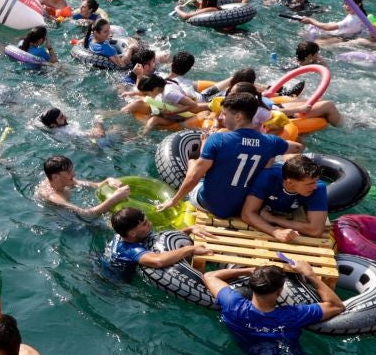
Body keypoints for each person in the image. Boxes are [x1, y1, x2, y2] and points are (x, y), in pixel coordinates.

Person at [159, 94, 294, 219]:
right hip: (242, 206)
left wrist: (174, 200)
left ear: (238, 117)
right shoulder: (271, 142)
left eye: (224, 113)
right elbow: (297, 147)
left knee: (193, 163)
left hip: (210, 204)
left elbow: (195, 176)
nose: (220, 117)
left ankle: (193, 162)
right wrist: (270, 159)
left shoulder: (218, 139)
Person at [202, 262, 344, 355]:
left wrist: (248, 271)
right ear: (280, 291)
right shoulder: (294, 315)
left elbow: (210, 276)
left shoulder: (233, 305)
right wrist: (310, 275)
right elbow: (337, 305)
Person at [99, 206, 208, 282]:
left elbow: (165, 239)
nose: (150, 224)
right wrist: (189, 249)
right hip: (114, 283)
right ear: (132, 233)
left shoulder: (128, 235)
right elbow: (158, 261)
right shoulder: (129, 249)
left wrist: (190, 229)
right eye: (145, 224)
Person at [240, 154, 329, 243]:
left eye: (316, 181)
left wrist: (273, 219)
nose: (315, 187)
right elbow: (247, 214)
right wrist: (275, 231)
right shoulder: (268, 178)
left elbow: (316, 231)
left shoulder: (319, 188)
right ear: (290, 183)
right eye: (309, 184)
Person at [37, 156, 127, 218]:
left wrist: (109, 180)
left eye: (72, 170)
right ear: (55, 177)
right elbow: (86, 215)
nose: (74, 174)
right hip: (60, 219)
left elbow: (96, 185)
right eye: (69, 172)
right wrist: (114, 198)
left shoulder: (64, 182)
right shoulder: (54, 197)